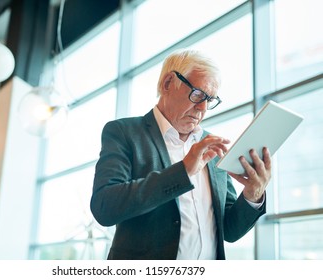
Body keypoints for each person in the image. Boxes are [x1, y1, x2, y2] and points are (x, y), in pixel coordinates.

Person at [90, 49, 272, 260]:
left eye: (210, 100)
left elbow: (229, 231)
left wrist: (253, 194)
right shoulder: (124, 132)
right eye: (197, 94)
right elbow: (105, 207)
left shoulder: (211, 147)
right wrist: (184, 171)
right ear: (168, 83)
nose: (203, 108)